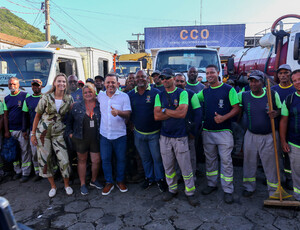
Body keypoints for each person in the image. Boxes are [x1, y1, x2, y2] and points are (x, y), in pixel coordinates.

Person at [154, 68, 198, 207]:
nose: (165, 80)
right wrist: (173, 111)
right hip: (165, 136)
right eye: (162, 78)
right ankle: (172, 189)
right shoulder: (158, 95)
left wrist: (164, 110)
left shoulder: (183, 93)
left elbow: (182, 114)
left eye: (167, 77)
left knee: (186, 167)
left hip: (180, 137)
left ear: (173, 78)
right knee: (168, 167)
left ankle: (190, 192)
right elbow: (156, 116)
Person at [197, 64, 240, 204]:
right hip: (208, 131)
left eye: (212, 72)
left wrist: (223, 118)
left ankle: (228, 190)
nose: (209, 75)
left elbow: (236, 108)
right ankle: (212, 184)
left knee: (226, 161)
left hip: (224, 132)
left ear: (218, 73)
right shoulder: (204, 92)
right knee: (210, 161)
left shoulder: (229, 89)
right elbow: (193, 99)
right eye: (207, 73)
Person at [30, 73, 74, 198]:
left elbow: (70, 117)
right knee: (45, 160)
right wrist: (33, 134)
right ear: (54, 83)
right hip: (43, 133)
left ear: (66, 84)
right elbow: (37, 116)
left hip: (59, 132)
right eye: (59, 81)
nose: (61, 84)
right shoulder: (46, 97)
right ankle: (53, 186)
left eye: (64, 82)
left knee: (64, 159)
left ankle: (66, 185)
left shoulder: (69, 98)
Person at [240, 70, 281, 198]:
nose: (253, 84)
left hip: (269, 136)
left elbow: (281, 110)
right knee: (249, 162)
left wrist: (276, 113)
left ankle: (273, 191)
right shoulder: (244, 95)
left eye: (256, 81)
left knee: (271, 165)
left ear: (262, 82)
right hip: (251, 135)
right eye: (251, 81)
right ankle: (249, 187)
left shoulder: (272, 94)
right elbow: (232, 102)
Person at [128, 70, 166, 192]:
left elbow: (162, 111)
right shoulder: (130, 94)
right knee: (145, 158)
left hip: (154, 133)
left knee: (157, 158)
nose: (140, 79)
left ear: (147, 78)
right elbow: (128, 112)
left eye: (143, 77)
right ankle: (149, 178)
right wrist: (131, 124)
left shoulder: (156, 93)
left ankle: (160, 179)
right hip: (138, 134)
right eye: (137, 77)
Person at [98, 73, 131, 196]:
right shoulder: (100, 96)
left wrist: (118, 112)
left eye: (113, 82)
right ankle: (109, 182)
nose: (110, 85)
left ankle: (120, 181)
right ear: (104, 84)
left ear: (118, 83)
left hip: (120, 135)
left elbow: (128, 114)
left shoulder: (124, 97)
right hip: (105, 135)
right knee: (105, 160)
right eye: (108, 82)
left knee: (121, 159)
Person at [66, 83, 102, 195]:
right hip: (80, 138)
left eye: (90, 92)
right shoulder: (76, 106)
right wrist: (70, 134)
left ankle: (93, 180)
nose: (88, 94)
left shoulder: (100, 105)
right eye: (85, 92)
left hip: (95, 138)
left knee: (96, 160)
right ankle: (82, 184)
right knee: (82, 160)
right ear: (82, 94)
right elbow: (69, 122)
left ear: (94, 92)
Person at [272, 64, 296, 190]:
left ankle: (290, 179)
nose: (282, 75)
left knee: (289, 156)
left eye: (285, 73)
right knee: (276, 155)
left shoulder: (295, 89)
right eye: (280, 73)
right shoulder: (274, 89)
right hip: (276, 127)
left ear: (290, 74)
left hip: (291, 129)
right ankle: (278, 179)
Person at [174, 73, 202, 180]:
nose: (179, 83)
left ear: (185, 83)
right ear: (174, 81)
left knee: (190, 156)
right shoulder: (170, 94)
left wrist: (193, 132)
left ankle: (192, 176)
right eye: (177, 81)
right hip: (175, 132)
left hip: (188, 132)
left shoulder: (191, 94)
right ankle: (179, 176)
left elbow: (198, 114)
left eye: (182, 81)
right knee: (176, 157)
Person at [3, 77, 31, 183]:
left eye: (14, 84)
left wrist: (25, 129)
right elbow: (5, 116)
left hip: (22, 130)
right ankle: (17, 172)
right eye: (10, 84)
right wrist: (6, 131)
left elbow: (28, 114)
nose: (12, 86)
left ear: (18, 85)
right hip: (11, 130)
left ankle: (26, 173)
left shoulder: (25, 95)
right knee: (13, 151)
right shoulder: (6, 98)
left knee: (25, 151)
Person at [280, 69, 300, 201]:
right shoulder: (289, 99)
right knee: (297, 173)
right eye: (295, 81)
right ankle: (298, 197)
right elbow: (284, 121)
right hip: (295, 143)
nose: (298, 83)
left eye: (299, 79)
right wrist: (283, 141)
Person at [22, 79, 43, 182]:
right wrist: (24, 130)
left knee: (47, 153)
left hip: (44, 130)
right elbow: (25, 116)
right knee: (34, 153)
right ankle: (37, 172)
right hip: (32, 130)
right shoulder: (27, 100)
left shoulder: (45, 98)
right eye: (34, 86)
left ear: (41, 87)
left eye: (37, 86)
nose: (35, 87)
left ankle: (51, 172)